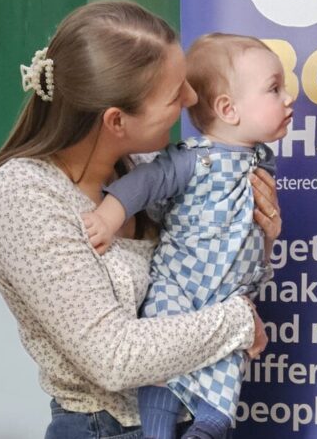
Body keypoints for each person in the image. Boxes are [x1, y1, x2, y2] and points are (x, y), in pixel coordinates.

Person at [0, 1, 283, 439]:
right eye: (176, 94)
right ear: (116, 120)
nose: (194, 100)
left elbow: (202, 268)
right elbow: (113, 357)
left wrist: (259, 237)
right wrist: (238, 324)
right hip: (107, 427)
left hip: (189, 412)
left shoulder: (140, 169)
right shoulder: (24, 196)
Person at [81, 33, 294, 439]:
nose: (288, 98)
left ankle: (207, 430)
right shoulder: (195, 160)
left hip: (229, 302)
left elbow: (252, 239)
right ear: (228, 109)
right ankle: (157, 432)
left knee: (222, 389)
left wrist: (269, 238)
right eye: (274, 88)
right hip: (179, 288)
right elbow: (146, 182)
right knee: (162, 374)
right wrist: (108, 217)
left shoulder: (263, 163)